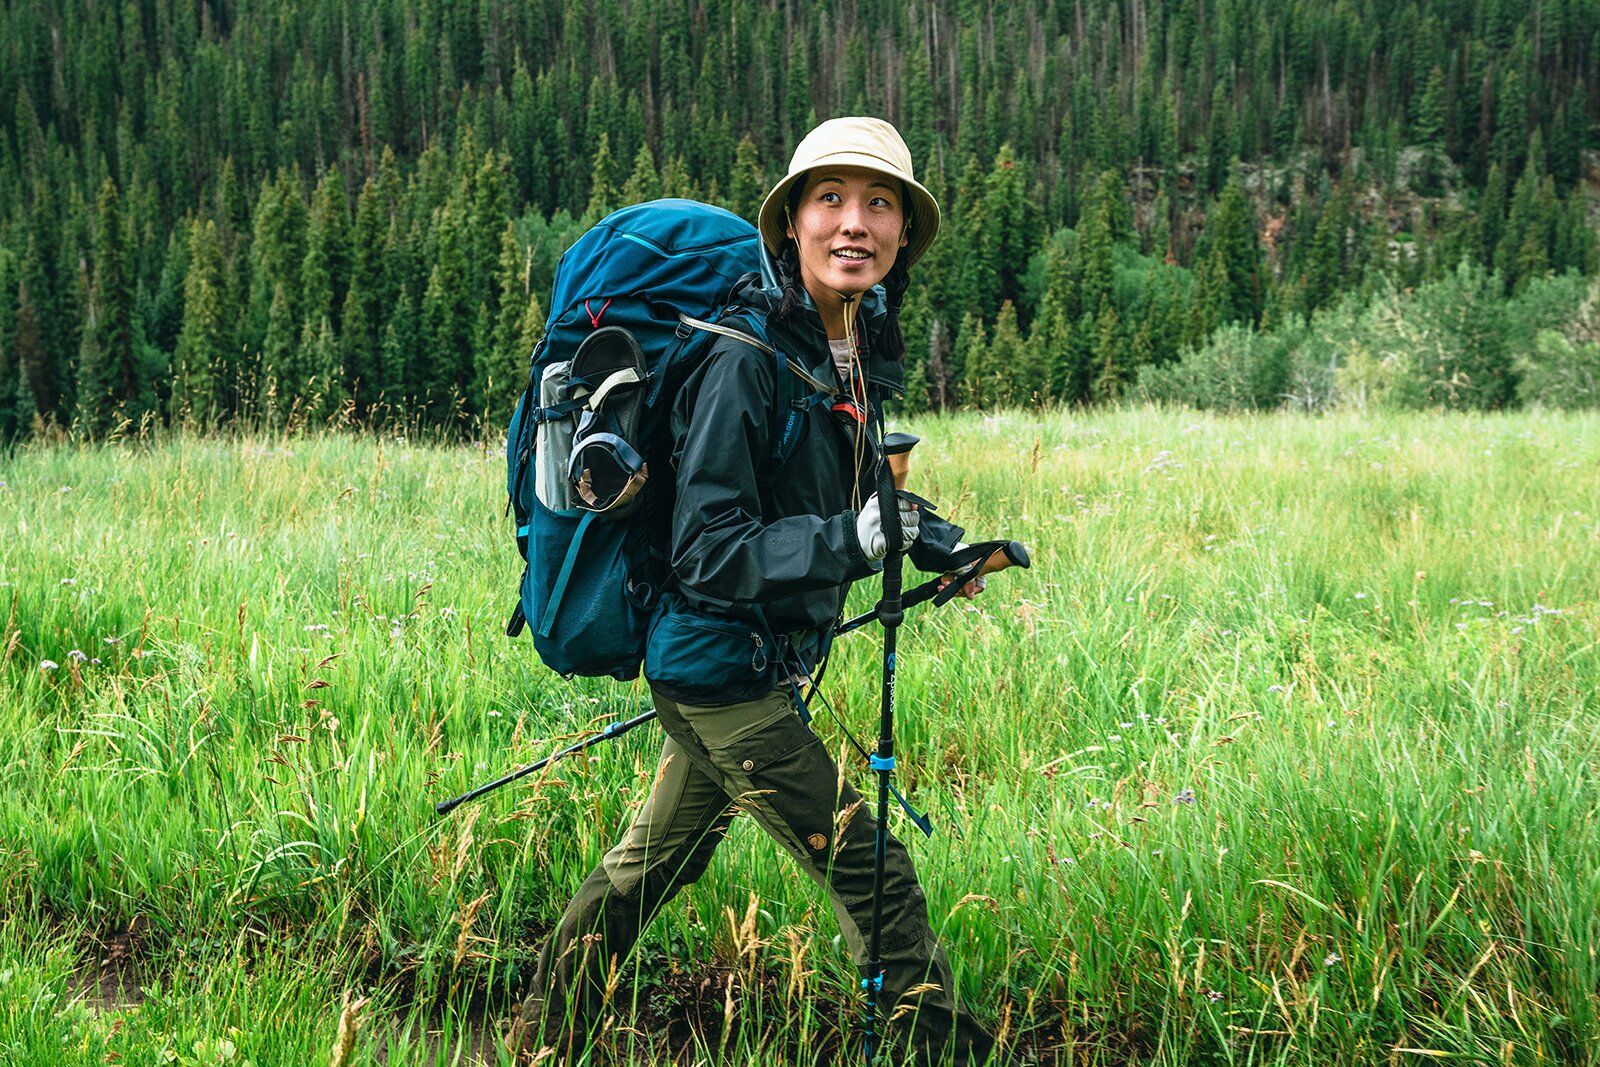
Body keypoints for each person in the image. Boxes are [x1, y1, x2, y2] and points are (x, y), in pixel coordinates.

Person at [510, 117, 995, 1065]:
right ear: (792, 225)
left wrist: (934, 546)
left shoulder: (844, 345)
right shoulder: (744, 355)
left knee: (652, 865)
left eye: (879, 204)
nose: (854, 223)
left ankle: (539, 1037)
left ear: (902, 235)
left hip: (734, 668)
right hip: (720, 672)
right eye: (830, 200)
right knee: (874, 868)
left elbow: (844, 499)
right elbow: (709, 550)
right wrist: (849, 539)